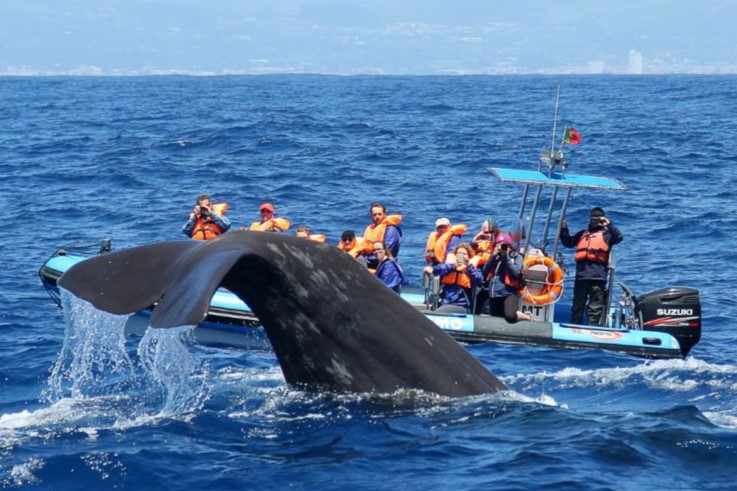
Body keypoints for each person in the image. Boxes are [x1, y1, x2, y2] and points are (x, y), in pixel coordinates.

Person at [560, 207, 623, 325]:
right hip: (581, 276)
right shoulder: (582, 234)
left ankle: (593, 327)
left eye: (598, 220)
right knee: (577, 305)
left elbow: (619, 237)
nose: (595, 222)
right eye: (593, 219)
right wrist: (564, 229)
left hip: (598, 277)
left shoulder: (607, 235)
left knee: (594, 308)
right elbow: (568, 243)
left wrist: (609, 224)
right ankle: (575, 326)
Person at [480, 235, 533, 322]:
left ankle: (526, 316)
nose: (500, 248)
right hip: (494, 295)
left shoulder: (516, 257)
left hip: (509, 294)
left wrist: (506, 257)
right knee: (497, 319)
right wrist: (492, 257)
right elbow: (484, 273)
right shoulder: (494, 259)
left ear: (509, 246)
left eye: (503, 246)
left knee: (510, 316)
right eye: (498, 245)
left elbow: (516, 273)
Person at [423, 243, 482, 313]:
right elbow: (437, 270)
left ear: (469, 256)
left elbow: (479, 279)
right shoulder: (449, 266)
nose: (462, 256)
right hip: (444, 302)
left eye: (464, 254)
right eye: (459, 253)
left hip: (460, 304)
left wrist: (468, 266)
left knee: (440, 312)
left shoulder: (473, 268)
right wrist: (453, 266)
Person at [363, 202, 402, 268]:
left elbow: (386, 253)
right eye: (374, 215)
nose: (377, 217)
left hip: (386, 266)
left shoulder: (391, 230)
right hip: (371, 264)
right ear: (371, 216)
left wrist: (365, 260)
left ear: (384, 215)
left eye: (379, 214)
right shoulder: (371, 229)